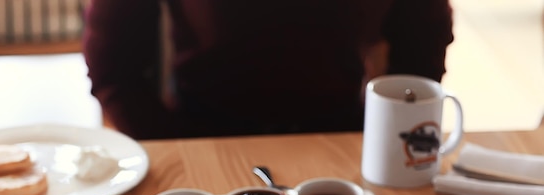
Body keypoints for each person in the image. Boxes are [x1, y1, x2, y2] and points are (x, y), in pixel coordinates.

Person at [83, 0, 454, 140]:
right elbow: (113, 64)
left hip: (342, 139)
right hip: (202, 135)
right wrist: (169, 143)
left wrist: (393, 141)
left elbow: (424, 37)